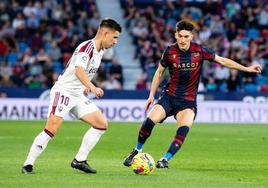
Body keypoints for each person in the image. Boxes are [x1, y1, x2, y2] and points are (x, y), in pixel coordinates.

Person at [123, 20, 262, 169]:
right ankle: (137, 150)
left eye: (186, 36)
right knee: (150, 120)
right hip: (169, 96)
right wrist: (151, 95)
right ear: (176, 35)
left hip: (188, 102)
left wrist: (246, 69)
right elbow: (159, 72)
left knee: (184, 127)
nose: (183, 40)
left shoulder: (200, 51)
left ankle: (165, 159)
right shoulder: (169, 51)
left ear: (192, 36)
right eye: (180, 36)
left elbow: (222, 60)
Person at [22, 18, 122, 174]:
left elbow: (85, 72)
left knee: (101, 124)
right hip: (64, 91)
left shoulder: (101, 51)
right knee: (52, 129)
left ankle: (79, 160)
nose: (115, 41)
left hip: (78, 93)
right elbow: (79, 70)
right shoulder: (87, 48)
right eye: (114, 37)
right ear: (104, 33)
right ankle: (28, 164)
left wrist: (84, 87)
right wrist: (92, 87)